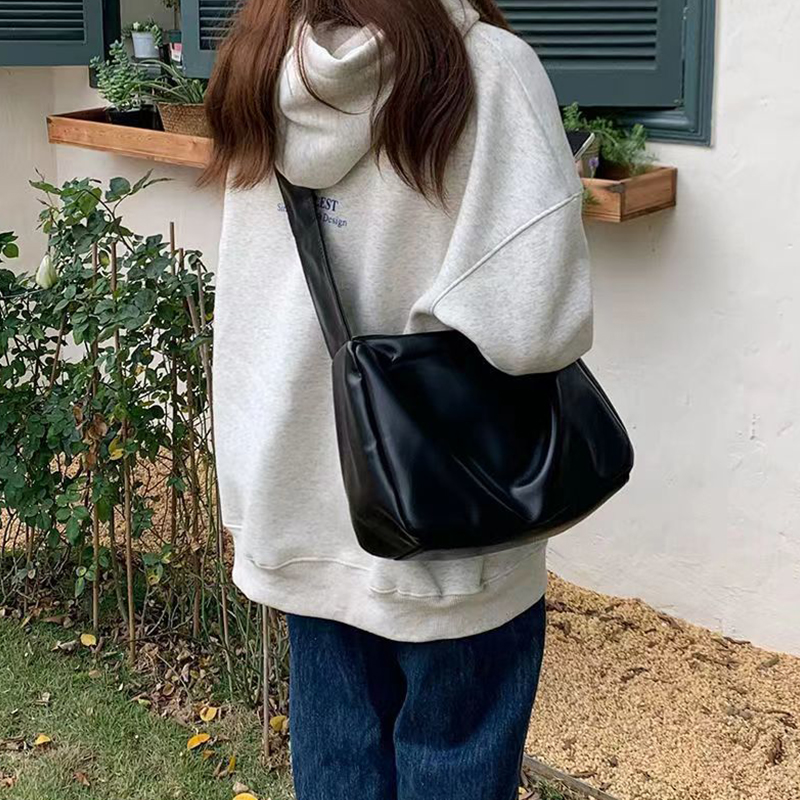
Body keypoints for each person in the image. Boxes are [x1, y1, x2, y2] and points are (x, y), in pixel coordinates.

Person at [205, 1, 592, 798]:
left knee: (336, 764)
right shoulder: (485, 70)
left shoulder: (262, 66)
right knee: (455, 754)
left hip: (304, 505)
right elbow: (535, 329)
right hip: (454, 524)